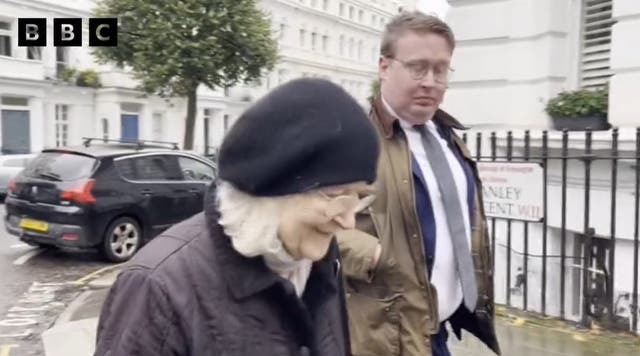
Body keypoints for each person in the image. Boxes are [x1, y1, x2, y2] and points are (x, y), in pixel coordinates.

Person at [94, 78, 380, 356]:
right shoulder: (158, 287)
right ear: (272, 191)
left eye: (359, 196)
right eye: (335, 197)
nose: (348, 222)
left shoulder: (320, 258)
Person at [337, 11, 500, 356]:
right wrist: (376, 255)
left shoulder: (449, 137)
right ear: (385, 67)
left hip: (436, 332)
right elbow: (306, 219)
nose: (430, 81)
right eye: (418, 67)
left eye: (441, 69)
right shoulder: (352, 137)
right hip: (382, 336)